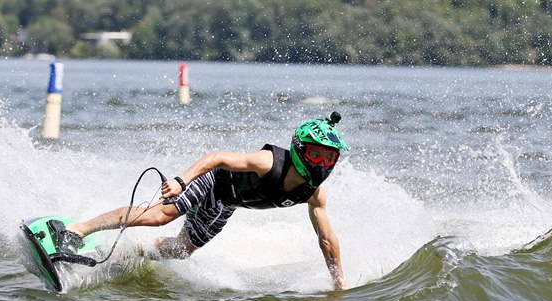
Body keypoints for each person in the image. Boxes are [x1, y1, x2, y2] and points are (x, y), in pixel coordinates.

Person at [62, 112, 350, 290]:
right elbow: (219, 158)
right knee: (158, 216)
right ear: (300, 149)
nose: (322, 163)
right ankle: (78, 229)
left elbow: (327, 240)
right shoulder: (269, 162)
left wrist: (339, 286)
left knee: (181, 250)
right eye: (317, 154)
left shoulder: (313, 194)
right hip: (212, 180)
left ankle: (131, 250)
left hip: (225, 205)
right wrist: (181, 181)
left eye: (329, 157)